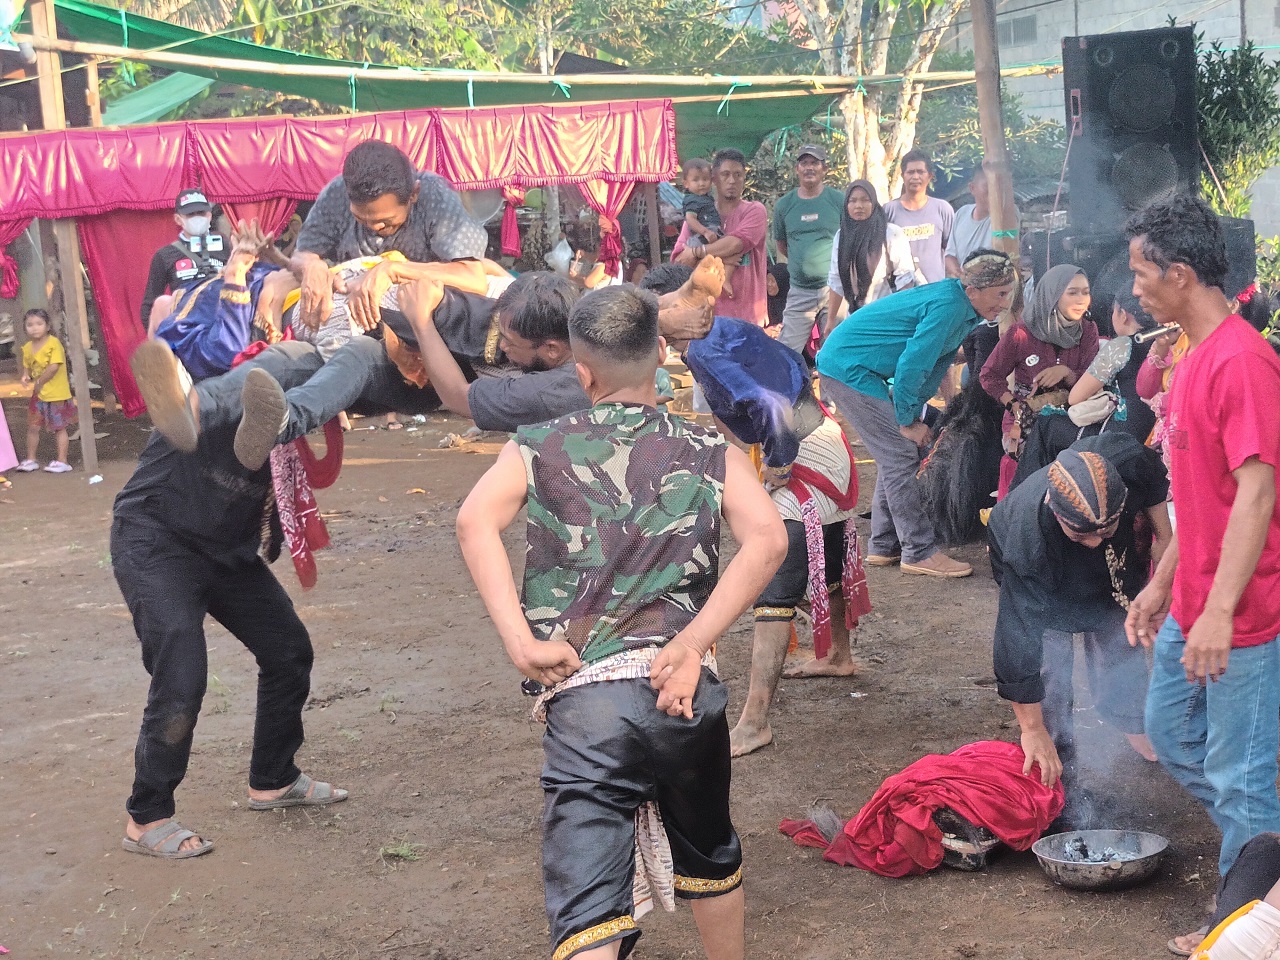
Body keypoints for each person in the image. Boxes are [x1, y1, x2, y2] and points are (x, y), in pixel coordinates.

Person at [455, 285, 787, 960]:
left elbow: (473, 521)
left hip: (588, 702)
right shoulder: (706, 447)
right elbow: (770, 541)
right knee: (711, 853)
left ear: (582, 373)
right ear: (661, 355)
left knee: (588, 908)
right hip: (684, 693)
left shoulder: (538, 445)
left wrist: (521, 640)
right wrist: (692, 642)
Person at [113, 344, 348, 859]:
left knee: (288, 651)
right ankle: (147, 817)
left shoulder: (283, 429)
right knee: (181, 675)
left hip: (226, 553)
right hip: (156, 542)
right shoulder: (214, 401)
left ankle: (273, 779)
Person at [1123, 195, 1280, 956]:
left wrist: (1218, 611)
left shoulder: (1244, 361)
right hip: (1194, 599)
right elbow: (1200, 493)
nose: (1134, 289)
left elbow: (1257, 491)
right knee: (1172, 735)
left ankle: (1240, 930)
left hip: (1246, 614)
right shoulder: (1187, 356)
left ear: (1180, 274)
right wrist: (1162, 581)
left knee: (1242, 776)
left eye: (1141, 273)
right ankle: (1266, 863)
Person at [681, 313, 869, 756]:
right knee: (829, 558)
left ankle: (754, 722)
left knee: (773, 589)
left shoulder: (704, 348)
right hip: (825, 440)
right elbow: (791, 368)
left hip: (802, 454)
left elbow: (766, 405)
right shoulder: (730, 329)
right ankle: (838, 656)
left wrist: (779, 462)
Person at [989, 436, 1171, 814]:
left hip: (1115, 549)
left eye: (1102, 531)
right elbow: (1017, 640)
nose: (1092, 543)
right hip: (1039, 555)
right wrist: (1030, 728)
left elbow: (1153, 484)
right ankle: (1053, 742)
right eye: (1081, 534)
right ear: (1056, 512)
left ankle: (1130, 718)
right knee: (1051, 656)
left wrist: (1164, 552)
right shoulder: (1029, 547)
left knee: (1119, 627)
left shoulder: (1128, 458)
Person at [816, 249, 1017, 578]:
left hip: (860, 368)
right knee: (899, 454)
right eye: (1000, 294)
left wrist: (920, 410)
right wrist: (908, 419)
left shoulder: (961, 306)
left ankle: (884, 544)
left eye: (1008, 293)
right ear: (973, 291)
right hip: (848, 370)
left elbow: (937, 362)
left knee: (895, 453)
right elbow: (913, 363)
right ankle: (918, 551)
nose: (1004, 303)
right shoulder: (950, 306)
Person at [291, 139, 489, 331]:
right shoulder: (336, 193)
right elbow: (302, 255)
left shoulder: (436, 198)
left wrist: (393, 270)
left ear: (414, 194)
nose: (375, 227)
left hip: (417, 327)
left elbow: (473, 277)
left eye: (386, 220)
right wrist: (311, 266)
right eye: (361, 218)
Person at [979, 264, 1099, 499]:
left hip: (1073, 418)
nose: (1081, 299)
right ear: (1052, 294)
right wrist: (1015, 406)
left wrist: (1066, 373)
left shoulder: (1088, 330)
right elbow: (989, 376)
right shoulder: (1021, 334)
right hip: (1025, 425)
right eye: (1072, 292)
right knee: (1037, 481)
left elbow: (1093, 378)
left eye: (1085, 292)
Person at [672, 148, 768, 326]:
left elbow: (735, 245)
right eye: (725, 174)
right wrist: (694, 255)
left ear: (744, 178)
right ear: (714, 178)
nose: (732, 180)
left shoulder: (755, 211)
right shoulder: (696, 217)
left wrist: (697, 252)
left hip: (747, 318)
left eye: (738, 175)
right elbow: (679, 262)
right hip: (706, 319)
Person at [770, 144, 844, 353]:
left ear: (824, 169)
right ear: (797, 169)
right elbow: (783, 245)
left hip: (834, 291)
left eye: (815, 163)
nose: (809, 168)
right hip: (799, 291)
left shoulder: (838, 200)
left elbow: (849, 240)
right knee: (786, 353)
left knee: (835, 352)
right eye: (804, 163)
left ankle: (833, 387)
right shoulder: (785, 205)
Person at [824, 179, 919, 335]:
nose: (859, 206)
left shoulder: (891, 233)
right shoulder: (841, 237)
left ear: (874, 203)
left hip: (888, 319)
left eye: (865, 200)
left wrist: (905, 319)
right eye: (852, 201)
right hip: (856, 318)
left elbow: (905, 280)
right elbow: (836, 281)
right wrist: (831, 320)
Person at [140, 189, 228, 331]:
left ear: (210, 216)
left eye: (201, 213)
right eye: (190, 214)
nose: (197, 217)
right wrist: (170, 346)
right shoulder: (165, 255)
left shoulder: (226, 247)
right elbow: (149, 308)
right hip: (184, 331)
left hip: (221, 328)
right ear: (178, 219)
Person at [16, 308, 75, 473]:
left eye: (39, 324)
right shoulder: (27, 347)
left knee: (59, 427)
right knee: (33, 426)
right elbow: (27, 365)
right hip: (39, 395)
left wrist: (40, 382)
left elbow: (54, 367)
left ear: (47, 326)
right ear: (25, 328)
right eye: (30, 325)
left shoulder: (53, 343)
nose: (34, 328)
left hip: (57, 394)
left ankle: (63, 461)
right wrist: (25, 376)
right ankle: (31, 459)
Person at [884, 150, 955, 285]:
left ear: (930, 176)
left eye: (920, 172)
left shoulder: (942, 209)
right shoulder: (888, 211)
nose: (915, 177)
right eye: (910, 172)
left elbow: (952, 250)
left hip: (935, 290)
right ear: (902, 176)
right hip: (901, 292)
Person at [944, 168, 1007, 279]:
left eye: (997, 186)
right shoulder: (961, 213)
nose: (993, 190)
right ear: (972, 188)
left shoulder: (1006, 216)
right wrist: (961, 276)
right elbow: (950, 256)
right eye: (988, 186)